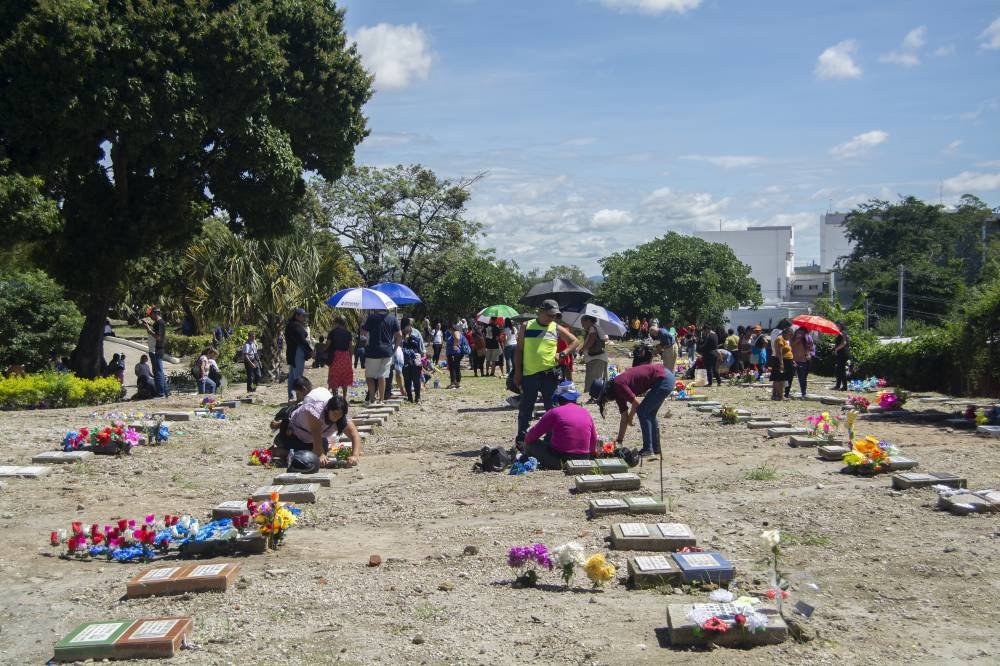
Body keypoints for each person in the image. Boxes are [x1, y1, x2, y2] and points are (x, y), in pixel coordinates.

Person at [513, 299, 580, 445]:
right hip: (529, 375)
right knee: (526, 407)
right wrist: (517, 372)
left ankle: (551, 439)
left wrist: (563, 353)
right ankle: (522, 439)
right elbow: (519, 350)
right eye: (550, 315)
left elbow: (575, 341)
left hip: (549, 375)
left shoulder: (555, 327)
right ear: (541, 311)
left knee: (552, 408)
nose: (552, 318)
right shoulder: (526, 326)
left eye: (554, 315)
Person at [591, 350, 675, 458]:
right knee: (650, 413)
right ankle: (655, 448)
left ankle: (648, 449)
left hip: (663, 378)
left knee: (643, 412)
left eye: (605, 399)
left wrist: (631, 417)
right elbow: (624, 418)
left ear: (605, 392)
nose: (607, 401)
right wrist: (619, 441)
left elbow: (636, 403)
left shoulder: (618, 384)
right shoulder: (617, 392)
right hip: (665, 377)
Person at [522, 381, 598, 469]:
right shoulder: (585, 412)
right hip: (584, 458)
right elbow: (594, 440)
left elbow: (531, 437)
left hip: (560, 460)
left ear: (558, 398)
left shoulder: (554, 412)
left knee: (531, 445)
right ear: (575, 398)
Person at [281, 390, 363, 468]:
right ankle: (278, 451)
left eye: (339, 415)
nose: (337, 417)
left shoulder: (342, 419)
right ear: (328, 409)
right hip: (294, 435)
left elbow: (355, 436)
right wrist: (320, 454)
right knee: (305, 458)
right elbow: (316, 432)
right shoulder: (316, 412)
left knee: (317, 455)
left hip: (313, 438)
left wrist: (354, 456)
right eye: (334, 413)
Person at [362, 308, 402, 405]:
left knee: (369, 376)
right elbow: (399, 335)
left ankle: (372, 399)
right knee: (382, 375)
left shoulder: (372, 317)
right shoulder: (393, 319)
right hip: (387, 351)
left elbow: (364, 332)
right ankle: (381, 400)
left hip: (373, 351)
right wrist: (395, 348)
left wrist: (362, 324)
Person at [284, 307, 312, 401]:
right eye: (303, 316)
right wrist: (310, 350)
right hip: (297, 351)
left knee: (292, 376)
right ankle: (299, 398)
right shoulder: (295, 326)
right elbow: (302, 338)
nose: (304, 318)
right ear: (297, 316)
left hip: (292, 352)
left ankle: (291, 397)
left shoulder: (290, 325)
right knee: (298, 377)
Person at [142, 307, 170, 397]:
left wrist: (149, 330)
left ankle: (161, 393)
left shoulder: (159, 323)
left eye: (151, 315)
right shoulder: (157, 323)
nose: (150, 317)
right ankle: (166, 391)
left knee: (158, 372)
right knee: (159, 371)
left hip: (156, 350)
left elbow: (158, 337)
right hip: (155, 349)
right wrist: (148, 328)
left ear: (155, 313)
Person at [579, 315, 609, 398]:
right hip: (598, 357)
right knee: (597, 377)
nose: (582, 325)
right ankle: (597, 397)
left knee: (594, 379)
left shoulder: (593, 328)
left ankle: (596, 397)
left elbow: (591, 341)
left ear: (588, 320)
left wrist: (582, 349)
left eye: (583, 323)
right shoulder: (597, 327)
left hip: (595, 358)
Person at [326, 316, 354, 401]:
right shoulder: (348, 333)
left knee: (334, 376)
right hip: (345, 356)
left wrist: (322, 351)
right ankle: (344, 398)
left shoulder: (332, 333)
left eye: (333, 323)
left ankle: (335, 398)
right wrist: (350, 357)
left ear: (337, 323)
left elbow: (327, 345)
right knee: (344, 377)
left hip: (336, 356)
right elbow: (351, 347)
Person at [400, 318, 425, 403]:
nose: (410, 327)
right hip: (405, 361)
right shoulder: (399, 335)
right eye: (408, 325)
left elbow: (421, 348)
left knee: (416, 379)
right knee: (407, 379)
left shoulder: (416, 333)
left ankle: (417, 397)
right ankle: (410, 397)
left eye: (410, 325)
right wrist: (405, 339)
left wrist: (423, 359)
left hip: (416, 360)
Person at [444, 322, 471, 388]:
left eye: (450, 329)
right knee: (456, 367)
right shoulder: (458, 333)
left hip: (454, 353)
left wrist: (454, 345)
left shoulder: (456, 332)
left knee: (453, 368)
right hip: (454, 353)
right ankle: (457, 383)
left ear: (452, 329)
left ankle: (453, 383)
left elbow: (457, 338)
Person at [790, 327, 815, 397]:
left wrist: (809, 353)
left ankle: (803, 392)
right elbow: (790, 346)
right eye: (799, 332)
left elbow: (811, 349)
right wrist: (797, 340)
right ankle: (786, 392)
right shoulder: (793, 337)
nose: (801, 334)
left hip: (803, 360)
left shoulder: (808, 338)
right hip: (793, 360)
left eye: (803, 333)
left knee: (802, 378)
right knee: (790, 377)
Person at [771, 326, 794, 400]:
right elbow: (779, 352)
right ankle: (781, 396)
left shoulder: (784, 339)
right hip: (782, 360)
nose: (791, 337)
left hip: (786, 360)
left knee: (777, 378)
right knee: (781, 379)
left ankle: (775, 395)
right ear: (786, 333)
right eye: (790, 335)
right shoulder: (780, 338)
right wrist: (781, 363)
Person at [833, 321, 851, 391]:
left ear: (841, 325)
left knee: (841, 370)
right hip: (840, 353)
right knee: (838, 370)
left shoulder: (843, 332)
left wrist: (836, 349)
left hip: (843, 353)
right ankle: (838, 385)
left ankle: (844, 387)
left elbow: (844, 343)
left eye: (838, 325)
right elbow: (840, 343)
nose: (837, 326)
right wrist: (834, 346)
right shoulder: (840, 333)